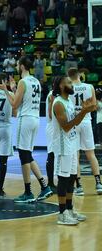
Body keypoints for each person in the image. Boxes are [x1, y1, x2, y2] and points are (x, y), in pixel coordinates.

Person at [0, 56, 52, 203]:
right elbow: (25, 98)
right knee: (27, 155)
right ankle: (43, 186)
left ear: (22, 66)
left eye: (17, 64)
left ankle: (28, 192)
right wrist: (14, 88)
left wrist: (6, 91)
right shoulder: (35, 81)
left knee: (24, 155)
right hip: (35, 119)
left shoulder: (23, 81)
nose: (16, 66)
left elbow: (15, 104)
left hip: (26, 119)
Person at [51, 76, 93, 225]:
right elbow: (66, 126)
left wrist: (84, 111)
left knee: (72, 177)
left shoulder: (68, 101)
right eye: (68, 82)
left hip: (72, 142)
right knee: (63, 179)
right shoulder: (58, 103)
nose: (71, 84)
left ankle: (69, 210)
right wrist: (83, 112)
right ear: (62, 86)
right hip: (63, 145)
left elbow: (74, 123)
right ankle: (62, 214)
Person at [67, 68, 102, 195]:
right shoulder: (89, 87)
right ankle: (98, 183)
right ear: (79, 75)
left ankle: (79, 186)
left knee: (75, 155)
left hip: (74, 122)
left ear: (69, 77)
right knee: (90, 154)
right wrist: (85, 108)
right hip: (86, 122)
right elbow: (95, 107)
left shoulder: (68, 88)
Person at [45, 90, 57, 193]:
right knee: (51, 153)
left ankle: (53, 182)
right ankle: (50, 183)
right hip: (52, 127)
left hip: (56, 127)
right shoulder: (52, 94)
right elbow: (50, 114)